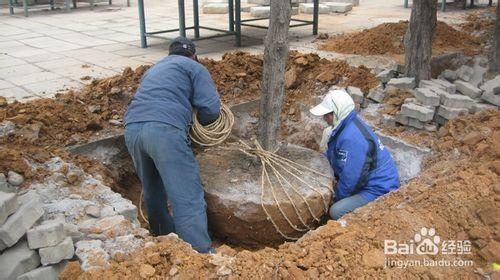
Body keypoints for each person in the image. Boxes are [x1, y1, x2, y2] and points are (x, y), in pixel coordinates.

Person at [123, 37, 220, 253]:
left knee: (152, 188)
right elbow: (211, 108)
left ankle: (162, 239)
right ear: (194, 56)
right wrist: (198, 122)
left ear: (169, 54)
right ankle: (199, 252)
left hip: (132, 128)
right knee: (186, 195)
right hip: (164, 130)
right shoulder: (195, 67)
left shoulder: (153, 69)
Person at [310, 89, 400, 220]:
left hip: (379, 188)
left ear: (338, 112)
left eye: (327, 114)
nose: (324, 118)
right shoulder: (344, 126)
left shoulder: (352, 138)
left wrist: (333, 199)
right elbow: (336, 156)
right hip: (366, 180)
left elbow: (352, 179)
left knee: (335, 211)